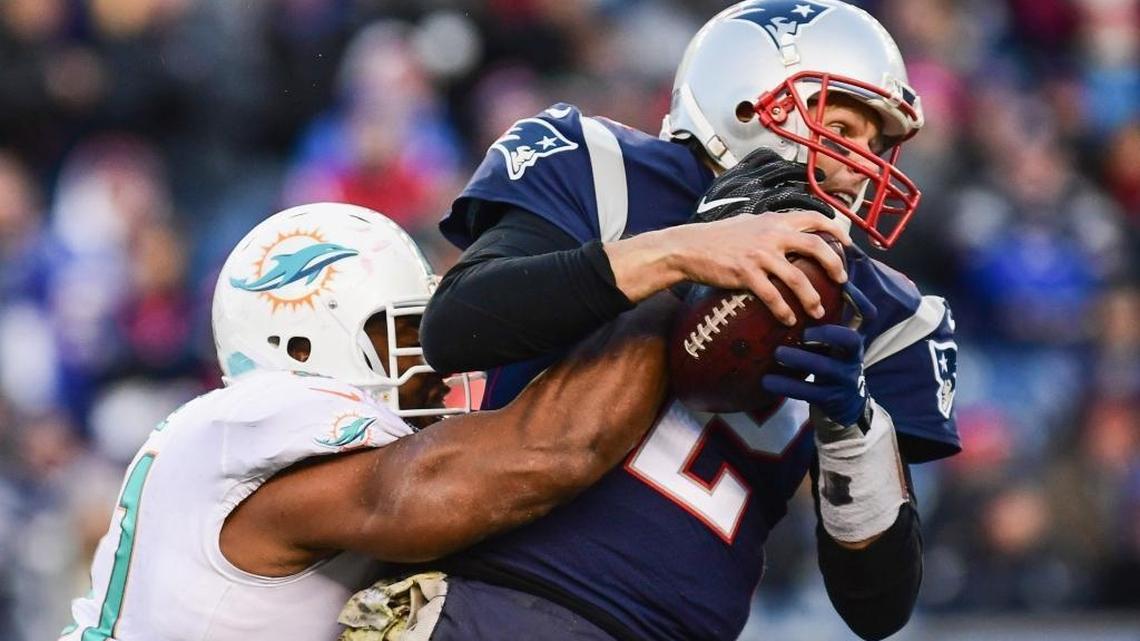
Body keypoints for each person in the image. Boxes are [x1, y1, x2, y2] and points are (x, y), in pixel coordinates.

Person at [406, 2, 961, 641]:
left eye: (877, 145)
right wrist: (678, 251)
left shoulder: (884, 312)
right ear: (746, 107)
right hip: (497, 598)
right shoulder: (604, 166)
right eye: (840, 129)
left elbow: (878, 609)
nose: (860, 167)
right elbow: (456, 327)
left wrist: (851, 430)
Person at [59, 202, 706, 641]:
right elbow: (545, 452)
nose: (434, 360)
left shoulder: (218, 441)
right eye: (404, 328)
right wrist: (680, 271)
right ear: (303, 341)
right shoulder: (252, 419)